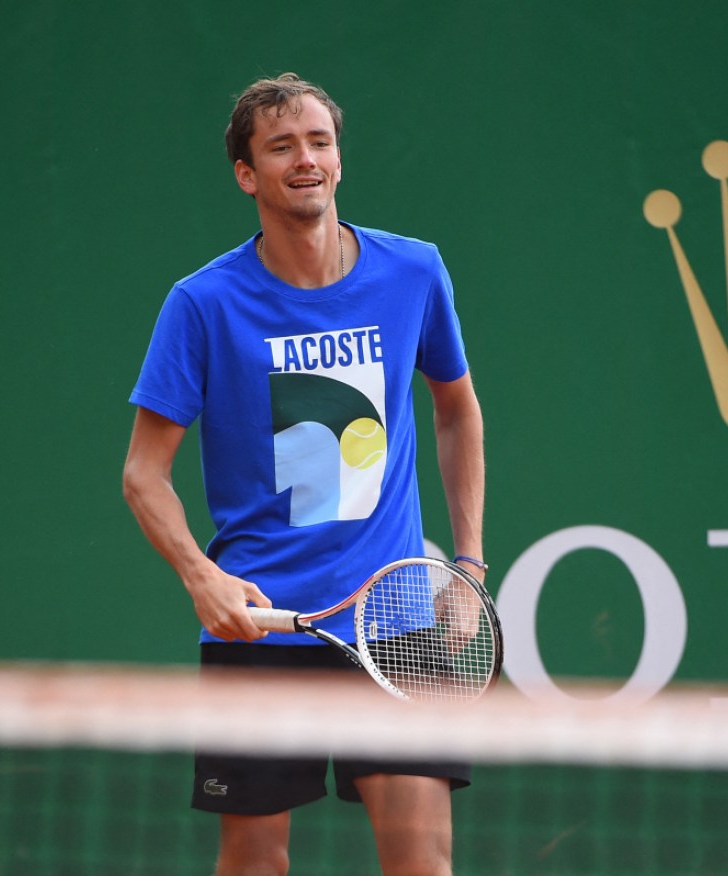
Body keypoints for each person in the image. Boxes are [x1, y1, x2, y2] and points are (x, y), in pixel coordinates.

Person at [122, 72, 485, 876]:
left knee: (422, 863)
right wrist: (201, 577)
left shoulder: (414, 272)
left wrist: (466, 566)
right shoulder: (202, 304)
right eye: (280, 147)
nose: (306, 159)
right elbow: (144, 475)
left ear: (339, 159)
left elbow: (456, 410)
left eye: (319, 142)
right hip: (263, 624)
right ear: (247, 174)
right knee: (255, 865)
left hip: (394, 624)